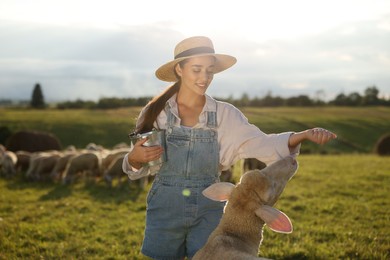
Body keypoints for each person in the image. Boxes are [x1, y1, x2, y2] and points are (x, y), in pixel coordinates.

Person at [122, 36, 337, 259]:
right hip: (165, 208)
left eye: (210, 70)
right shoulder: (155, 113)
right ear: (179, 69)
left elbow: (260, 143)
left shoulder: (226, 115)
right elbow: (139, 167)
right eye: (196, 69)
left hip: (210, 207)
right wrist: (135, 158)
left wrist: (302, 136)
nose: (204, 77)